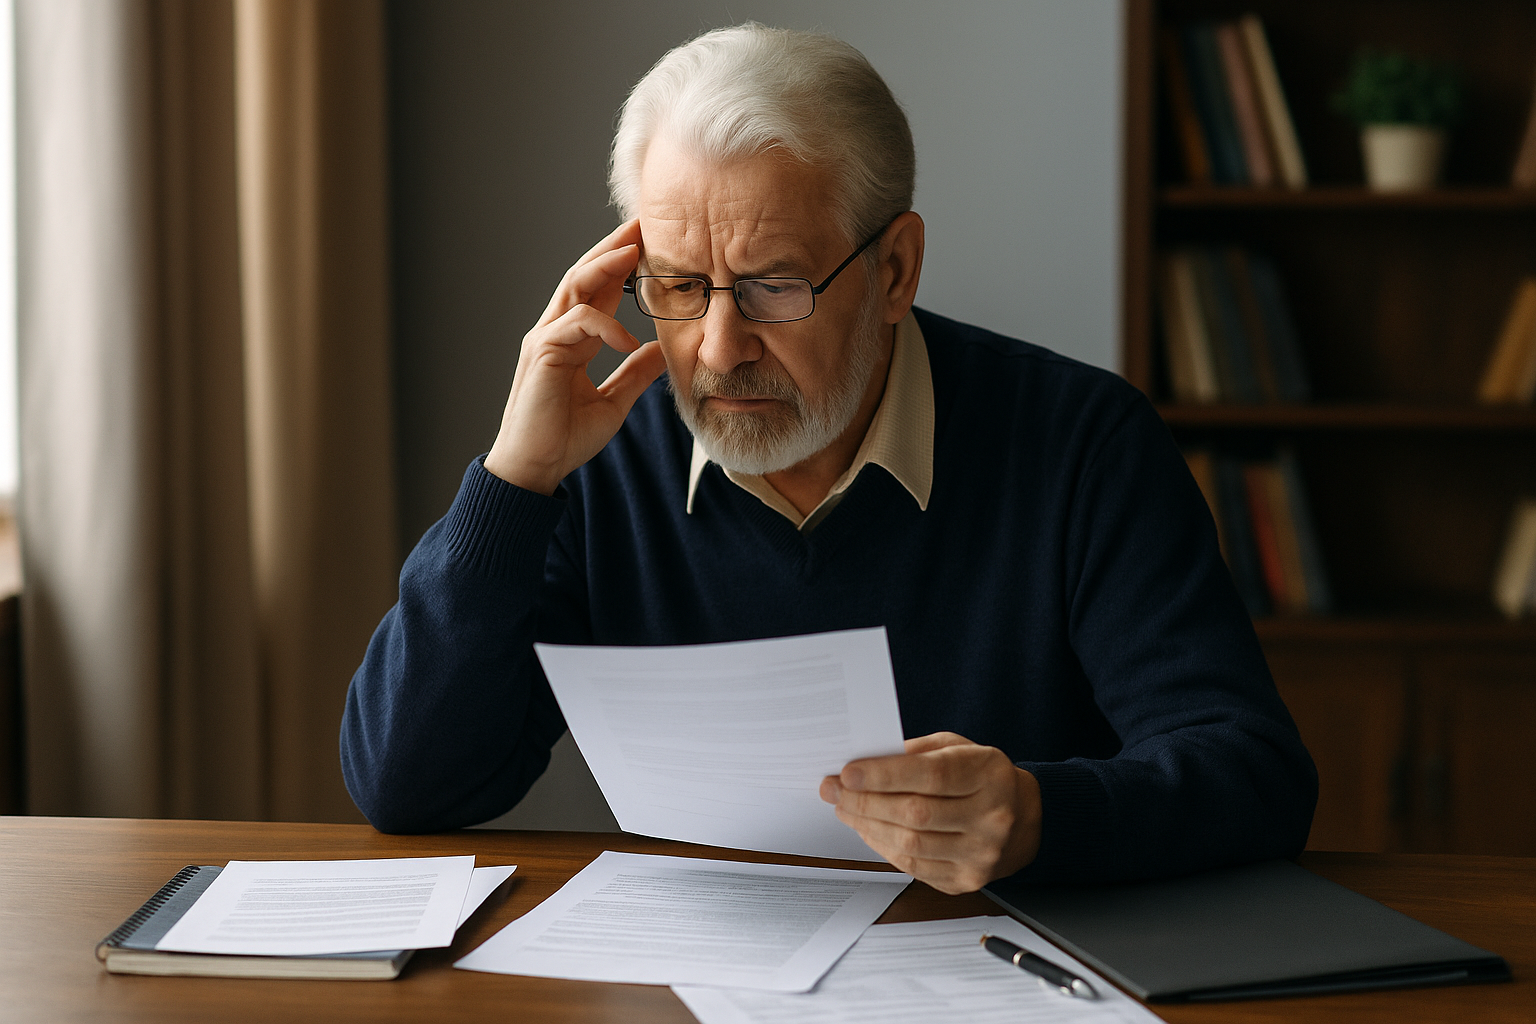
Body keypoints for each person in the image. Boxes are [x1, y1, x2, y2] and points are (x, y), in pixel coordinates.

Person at [342, 24, 1315, 894]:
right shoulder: (596, 459)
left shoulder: (1081, 444)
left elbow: (1255, 773)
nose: (718, 348)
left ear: (895, 270)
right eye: (678, 285)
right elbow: (408, 783)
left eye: (771, 287)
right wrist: (512, 482)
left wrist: (1036, 816)